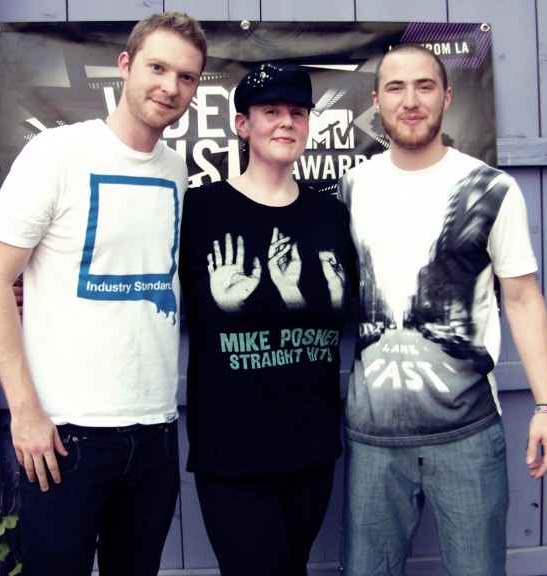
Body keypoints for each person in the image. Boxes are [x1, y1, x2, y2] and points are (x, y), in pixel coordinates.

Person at [0, 12, 207, 576]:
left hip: (154, 432)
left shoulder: (176, 171)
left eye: (187, 77)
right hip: (64, 437)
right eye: (157, 67)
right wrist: (25, 411)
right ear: (124, 67)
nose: (170, 87)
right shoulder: (56, 154)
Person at [337, 44, 547, 576]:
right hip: (372, 440)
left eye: (424, 86)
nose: (410, 100)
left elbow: (523, 297)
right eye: (395, 87)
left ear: (447, 97)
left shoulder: (491, 188)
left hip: (468, 435)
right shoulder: (353, 187)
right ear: (375, 101)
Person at [179, 63, 356, 576]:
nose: (285, 122)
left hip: (311, 447)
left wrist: (287, 290)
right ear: (241, 125)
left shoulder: (331, 216)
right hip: (232, 455)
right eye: (270, 111)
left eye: (297, 113)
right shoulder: (200, 210)